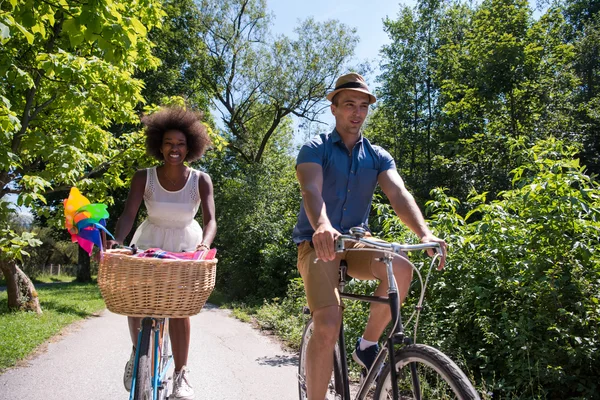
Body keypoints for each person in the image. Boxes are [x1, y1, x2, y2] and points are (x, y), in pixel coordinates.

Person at [293, 72, 447, 399]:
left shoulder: (378, 155)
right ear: (333, 108)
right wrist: (321, 224)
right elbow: (311, 189)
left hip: (356, 242)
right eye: (349, 104)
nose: (357, 112)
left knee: (402, 266)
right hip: (318, 244)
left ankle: (367, 345)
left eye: (363, 106)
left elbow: (398, 193)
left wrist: (425, 232)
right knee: (329, 323)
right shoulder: (314, 148)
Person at [107, 107, 216, 400]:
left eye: (180, 143)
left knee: (179, 309)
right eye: (169, 142)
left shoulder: (200, 179)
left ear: (190, 146)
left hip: (185, 245)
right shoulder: (144, 177)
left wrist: (204, 244)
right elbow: (129, 214)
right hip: (150, 240)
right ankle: (137, 353)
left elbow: (211, 221)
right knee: (136, 301)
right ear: (159, 144)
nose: (174, 148)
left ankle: (181, 373)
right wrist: (118, 242)